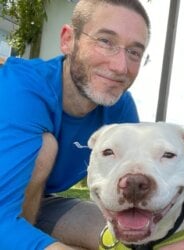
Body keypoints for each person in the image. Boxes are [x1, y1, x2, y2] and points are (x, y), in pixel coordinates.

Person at [0, 0, 150, 249]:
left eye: (134, 52)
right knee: (45, 147)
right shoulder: (21, 89)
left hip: (40, 203)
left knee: (133, 238)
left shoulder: (120, 107)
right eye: (105, 41)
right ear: (68, 40)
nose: (120, 67)